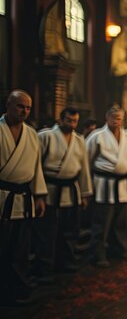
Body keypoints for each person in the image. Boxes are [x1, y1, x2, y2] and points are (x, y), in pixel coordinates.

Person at [0, 90, 47, 304]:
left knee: (20, 247)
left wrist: (39, 196)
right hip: (2, 195)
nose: (24, 111)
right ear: (8, 105)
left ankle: (19, 287)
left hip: (23, 197)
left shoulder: (31, 134)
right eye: (20, 106)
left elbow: (36, 167)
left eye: (28, 108)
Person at [35, 107, 93, 277]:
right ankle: (44, 267)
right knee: (47, 230)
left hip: (71, 188)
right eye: (68, 120)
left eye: (74, 121)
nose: (71, 124)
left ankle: (65, 261)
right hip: (50, 188)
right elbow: (36, 165)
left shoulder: (79, 140)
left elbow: (84, 168)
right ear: (60, 119)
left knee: (69, 229)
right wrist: (38, 193)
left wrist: (85, 192)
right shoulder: (45, 136)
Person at [86, 105, 127, 267]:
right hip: (104, 183)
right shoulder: (97, 136)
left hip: (123, 184)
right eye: (114, 118)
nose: (117, 121)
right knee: (102, 221)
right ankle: (98, 254)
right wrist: (87, 186)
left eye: (120, 118)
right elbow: (86, 161)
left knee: (121, 221)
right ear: (107, 118)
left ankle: (118, 250)